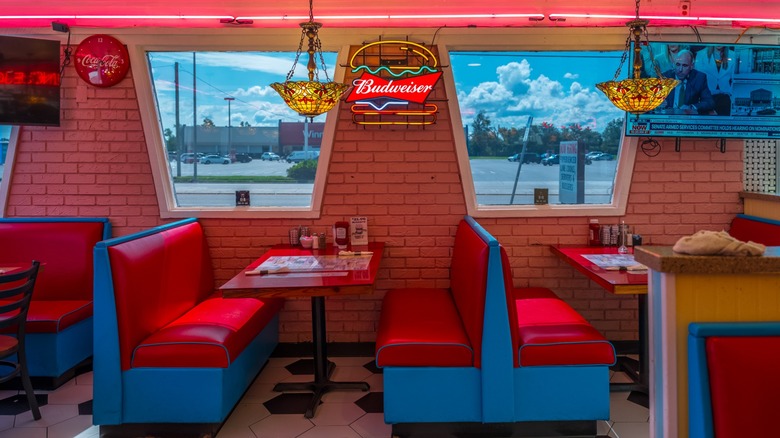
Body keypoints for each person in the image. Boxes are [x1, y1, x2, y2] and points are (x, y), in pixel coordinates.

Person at [660, 49, 715, 114]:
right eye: (678, 65)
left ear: (692, 66)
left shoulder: (699, 78)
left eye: (684, 65)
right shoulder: (664, 78)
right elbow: (649, 100)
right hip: (668, 119)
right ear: (674, 64)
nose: (680, 69)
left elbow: (709, 102)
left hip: (688, 118)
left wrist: (692, 107)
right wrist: (657, 104)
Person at [694, 46, 735, 115]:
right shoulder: (701, 54)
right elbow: (698, 79)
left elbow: (734, 78)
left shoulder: (733, 55)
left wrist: (730, 92)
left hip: (725, 97)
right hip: (706, 97)